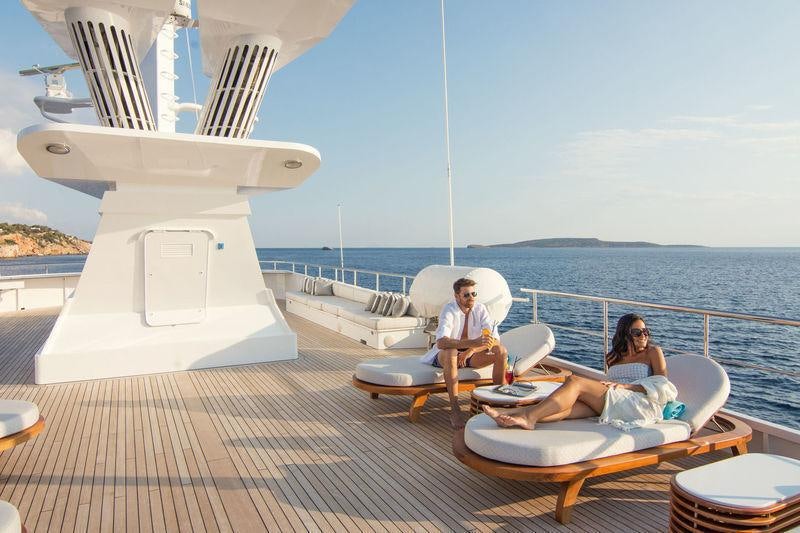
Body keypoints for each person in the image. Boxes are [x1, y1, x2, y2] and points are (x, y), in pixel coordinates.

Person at [484, 313, 670, 430]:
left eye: (646, 331)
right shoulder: (612, 357)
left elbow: (662, 385)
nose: (643, 336)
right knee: (567, 409)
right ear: (625, 335)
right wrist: (613, 387)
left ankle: (529, 418)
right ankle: (511, 416)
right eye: (637, 333)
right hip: (615, 399)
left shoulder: (653, 352)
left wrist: (625, 386)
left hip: (638, 403)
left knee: (574, 381)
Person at [421, 277, 508, 429]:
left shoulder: (480, 309)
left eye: (474, 294)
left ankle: (498, 402)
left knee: (501, 351)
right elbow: (441, 342)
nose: (471, 298)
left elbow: (494, 339)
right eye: (467, 295)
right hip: (445, 356)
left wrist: (471, 350)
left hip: (470, 355)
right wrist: (472, 343)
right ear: (457, 296)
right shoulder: (449, 310)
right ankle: (455, 409)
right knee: (451, 351)